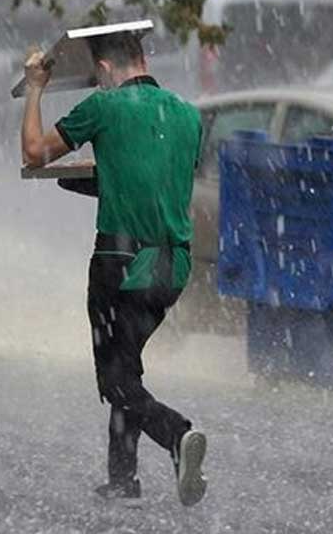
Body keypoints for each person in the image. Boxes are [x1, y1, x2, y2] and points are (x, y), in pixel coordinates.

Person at [20, 29, 208, 507]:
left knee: (115, 379)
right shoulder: (188, 115)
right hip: (172, 268)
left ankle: (176, 434)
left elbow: (34, 152)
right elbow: (154, 180)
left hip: (120, 263)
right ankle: (123, 479)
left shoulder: (104, 108)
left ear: (103, 69)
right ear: (143, 57)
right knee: (127, 365)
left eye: (97, 76)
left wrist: (36, 86)